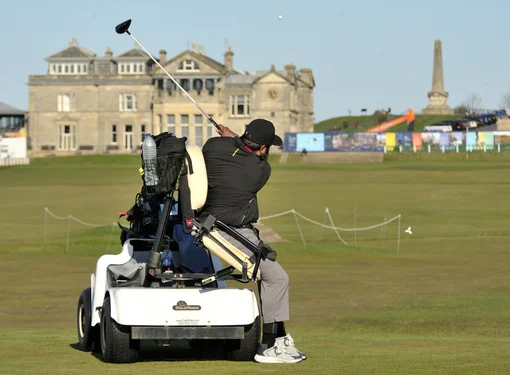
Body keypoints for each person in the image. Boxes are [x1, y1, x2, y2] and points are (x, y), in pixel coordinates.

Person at [198, 119, 306, 364]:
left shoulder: (213, 146)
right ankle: (268, 347)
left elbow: (236, 151)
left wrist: (231, 138)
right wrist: (233, 136)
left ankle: (279, 339)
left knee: (270, 274)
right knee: (278, 278)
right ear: (263, 149)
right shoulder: (261, 170)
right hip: (227, 229)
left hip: (214, 222)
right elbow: (254, 160)